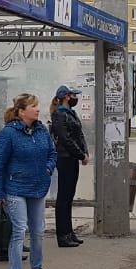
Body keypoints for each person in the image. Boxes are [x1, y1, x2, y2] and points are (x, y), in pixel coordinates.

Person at [0, 93, 57, 269]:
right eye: (33, 106)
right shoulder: (9, 133)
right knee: (20, 230)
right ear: (21, 111)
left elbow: (52, 153)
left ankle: (37, 267)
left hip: (38, 186)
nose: (38, 109)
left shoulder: (41, 130)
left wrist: (48, 168)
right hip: (15, 188)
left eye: (37, 106)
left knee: (38, 230)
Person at [50, 86, 88, 248]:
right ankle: (63, 234)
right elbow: (65, 139)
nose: (75, 98)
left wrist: (84, 152)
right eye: (73, 95)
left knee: (69, 196)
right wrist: (81, 154)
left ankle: (69, 232)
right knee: (64, 197)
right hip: (65, 158)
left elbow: (79, 135)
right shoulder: (59, 114)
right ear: (66, 97)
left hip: (72, 158)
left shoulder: (70, 113)